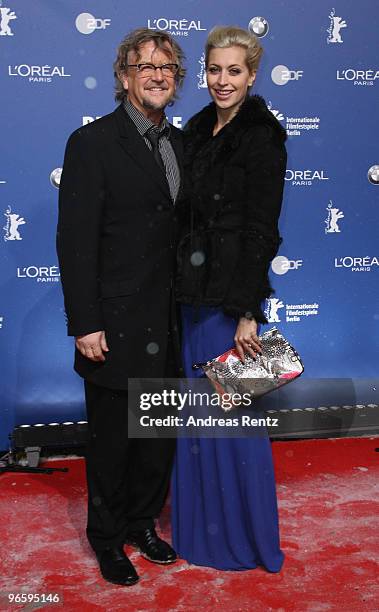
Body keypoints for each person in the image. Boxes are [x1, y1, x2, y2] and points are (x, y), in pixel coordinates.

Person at [56, 28, 185, 586]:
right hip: (114, 323)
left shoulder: (181, 144)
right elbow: (76, 241)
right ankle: (107, 539)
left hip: (170, 320)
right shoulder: (91, 144)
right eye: (147, 66)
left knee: (156, 437)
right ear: (124, 75)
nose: (158, 75)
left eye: (169, 68)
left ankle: (141, 523)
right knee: (111, 444)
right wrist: (86, 322)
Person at [171, 26, 287, 571]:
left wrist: (248, 311)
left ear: (252, 74)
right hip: (188, 299)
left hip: (228, 305)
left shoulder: (264, 136)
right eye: (214, 70)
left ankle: (245, 538)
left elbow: (262, 230)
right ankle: (197, 533)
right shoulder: (194, 130)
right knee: (195, 424)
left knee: (233, 422)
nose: (222, 81)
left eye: (233, 71)